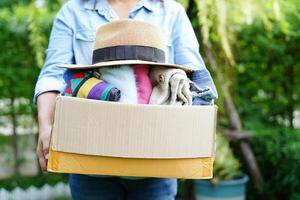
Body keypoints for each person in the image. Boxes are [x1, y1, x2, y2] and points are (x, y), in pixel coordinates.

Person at [34, 0, 216, 199]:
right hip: (89, 157)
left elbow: (195, 78)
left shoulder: (171, 11)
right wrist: (46, 126)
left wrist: (202, 134)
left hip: (156, 160)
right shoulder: (73, 11)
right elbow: (53, 76)